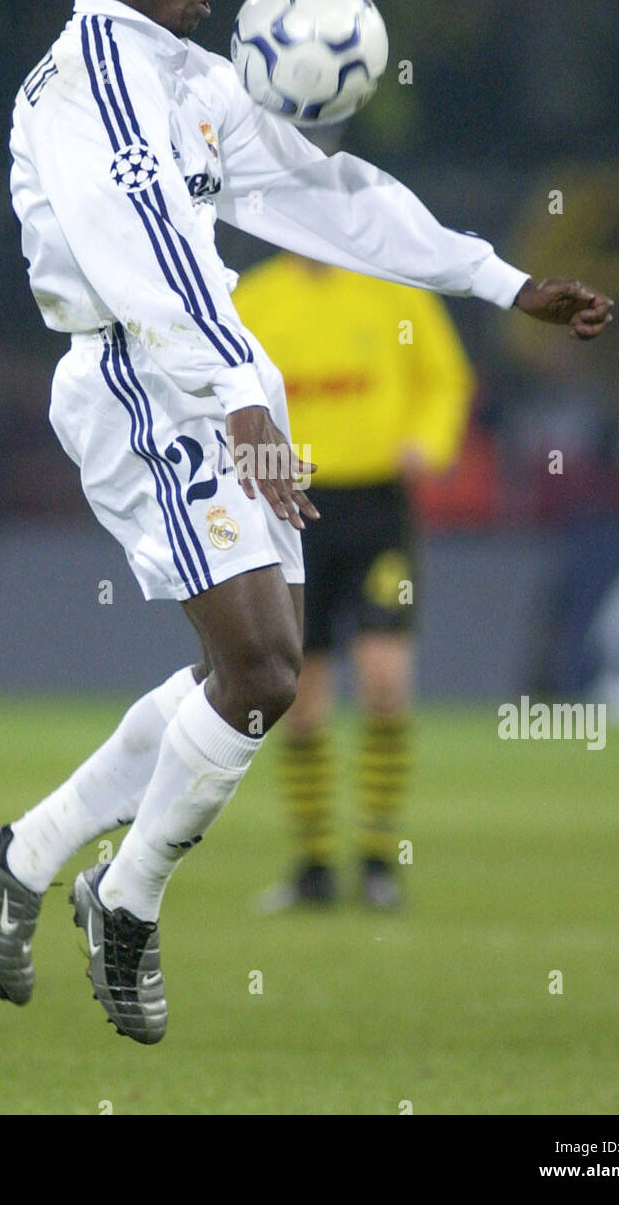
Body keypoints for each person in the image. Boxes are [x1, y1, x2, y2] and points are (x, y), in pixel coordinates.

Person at [0, 0, 613, 1046]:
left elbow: (334, 196)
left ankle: (25, 855)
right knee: (261, 675)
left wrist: (496, 279)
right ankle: (125, 895)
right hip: (144, 378)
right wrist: (240, 405)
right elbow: (146, 260)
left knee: (250, 669)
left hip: (207, 378)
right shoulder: (89, 89)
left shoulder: (191, 79)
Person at [233, 254, 475, 910]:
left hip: (376, 509)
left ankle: (376, 859)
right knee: (301, 701)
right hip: (291, 510)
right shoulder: (254, 299)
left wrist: (429, 439)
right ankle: (313, 866)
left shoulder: (393, 294)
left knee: (384, 681)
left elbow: (444, 378)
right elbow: (216, 391)